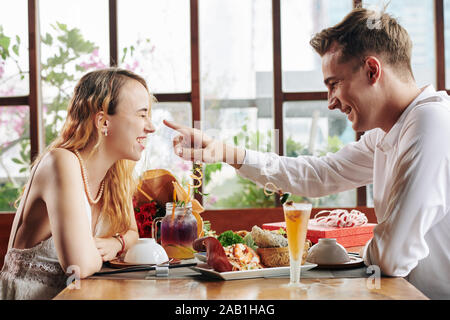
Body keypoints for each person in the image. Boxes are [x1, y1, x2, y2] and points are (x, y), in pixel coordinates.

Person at [163, 8, 450, 299]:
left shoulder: (431, 124)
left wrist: (344, 251)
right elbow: (319, 174)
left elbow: (392, 256)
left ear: (372, 71)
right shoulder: (388, 133)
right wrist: (226, 152)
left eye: (333, 84)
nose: (330, 103)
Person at [0, 68, 155, 299]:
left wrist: (116, 243)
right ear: (103, 121)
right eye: (142, 115)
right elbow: (79, 266)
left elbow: (132, 232)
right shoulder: (61, 162)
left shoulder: (115, 173)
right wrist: (100, 251)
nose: (150, 126)